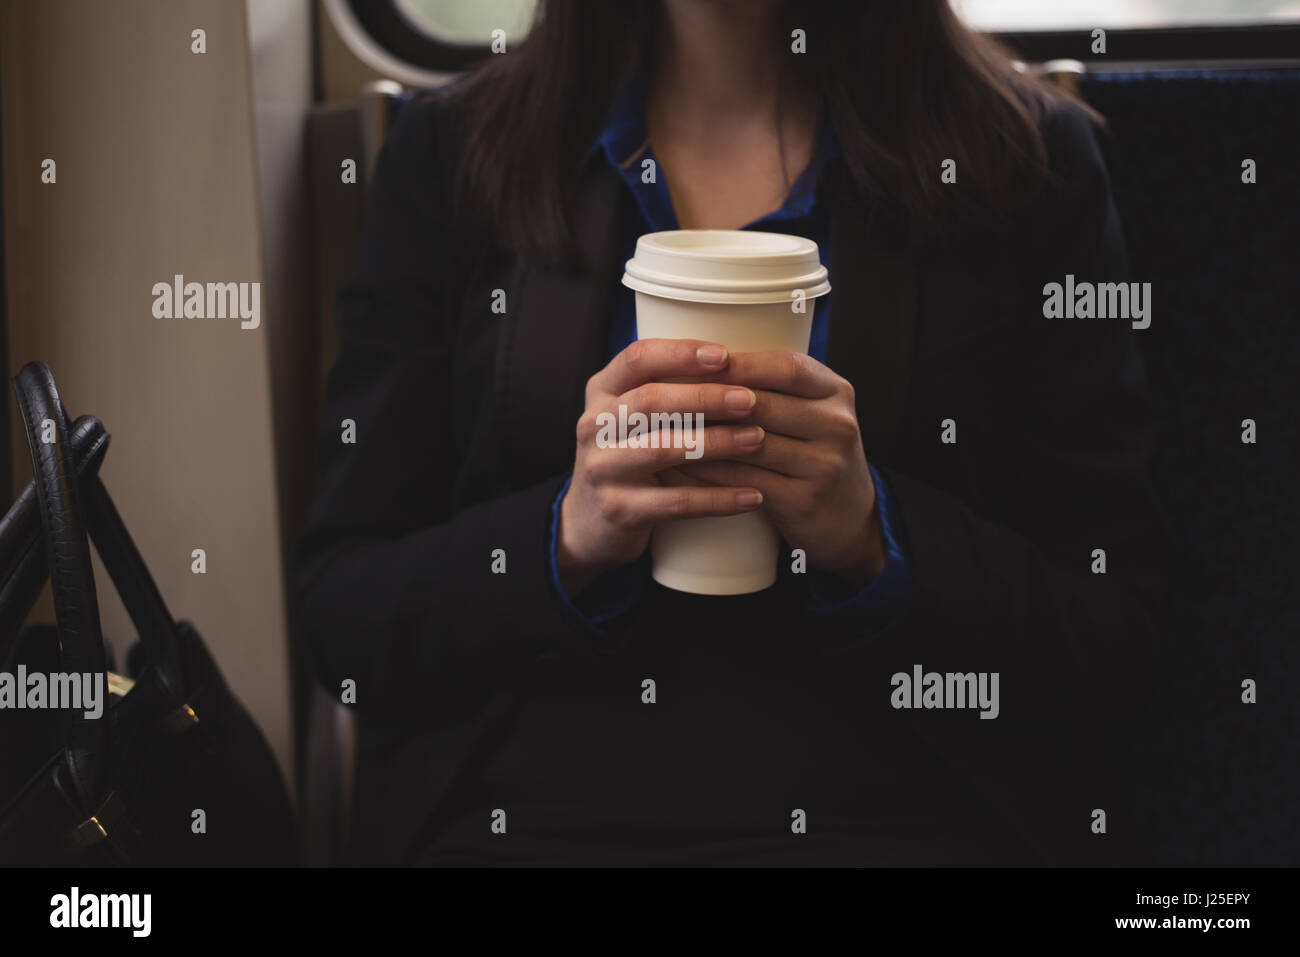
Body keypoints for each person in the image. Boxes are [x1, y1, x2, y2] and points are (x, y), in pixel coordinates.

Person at [295, 0, 1170, 866]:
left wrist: (876, 538)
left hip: (906, 807)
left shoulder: (1023, 163)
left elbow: (1113, 630)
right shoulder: (457, 158)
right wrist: (561, 538)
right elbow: (345, 611)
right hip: (529, 811)